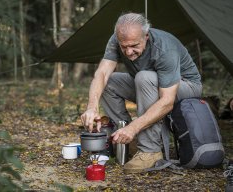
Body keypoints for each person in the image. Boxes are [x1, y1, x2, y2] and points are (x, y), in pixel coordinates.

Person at [80, 13, 202, 173]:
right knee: (109, 82)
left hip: (186, 86)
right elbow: (102, 73)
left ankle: (150, 151)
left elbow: (167, 102)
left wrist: (134, 127)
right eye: (124, 47)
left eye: (134, 46)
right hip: (149, 83)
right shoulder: (117, 39)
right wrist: (91, 107)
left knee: (144, 77)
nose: (128, 52)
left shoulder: (164, 47)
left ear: (146, 35)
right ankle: (127, 140)